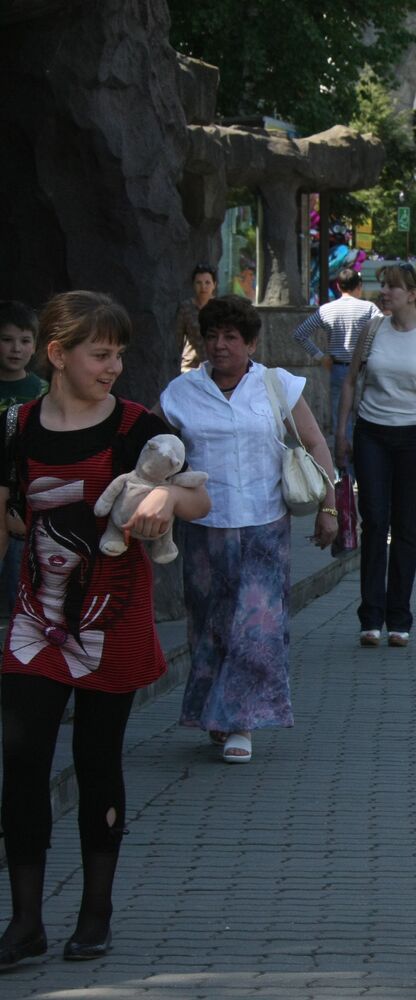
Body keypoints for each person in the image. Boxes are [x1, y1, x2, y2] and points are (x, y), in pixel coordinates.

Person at [0, 291, 211, 968]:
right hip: (35, 622)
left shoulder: (136, 425)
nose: (113, 364)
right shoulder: (18, 425)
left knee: (97, 766)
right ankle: (25, 922)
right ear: (57, 354)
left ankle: (95, 915)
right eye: (100, 352)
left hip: (112, 624)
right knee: (22, 764)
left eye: (119, 351)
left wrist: (163, 496)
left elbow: (199, 495)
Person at [160, 295, 338, 763]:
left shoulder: (277, 385)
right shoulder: (180, 393)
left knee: (258, 625)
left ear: (251, 342)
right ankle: (215, 711)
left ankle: (243, 722)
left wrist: (331, 506)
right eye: (212, 337)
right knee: (211, 625)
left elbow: (315, 441)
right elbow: (161, 454)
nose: (219, 346)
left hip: (264, 524)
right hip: (204, 526)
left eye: (231, 337)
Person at [336, 263, 416, 648]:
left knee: (405, 524)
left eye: (392, 287)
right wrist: (342, 430)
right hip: (372, 432)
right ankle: (370, 617)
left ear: (411, 293)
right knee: (374, 517)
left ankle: (400, 618)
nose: (383, 292)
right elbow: (351, 381)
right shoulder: (372, 329)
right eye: (383, 285)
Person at [290, 266, 381, 464]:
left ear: (338, 286)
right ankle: (364, 463)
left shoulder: (326, 310)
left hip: (338, 368)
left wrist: (320, 356)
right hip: (365, 369)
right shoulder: (370, 309)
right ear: (359, 286)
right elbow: (383, 333)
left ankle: (345, 470)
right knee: (366, 417)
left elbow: (300, 334)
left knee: (341, 419)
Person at [0, 302, 46, 618]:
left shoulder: (42, 391)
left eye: (25, 340)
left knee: (20, 585)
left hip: (24, 498)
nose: (16, 349)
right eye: (7, 339)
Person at [175, 263, 217, 372]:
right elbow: (178, 338)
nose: (203, 287)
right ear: (193, 285)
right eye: (199, 283)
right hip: (190, 366)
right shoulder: (186, 307)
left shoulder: (220, 307)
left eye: (207, 282)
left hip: (215, 365)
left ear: (214, 285)